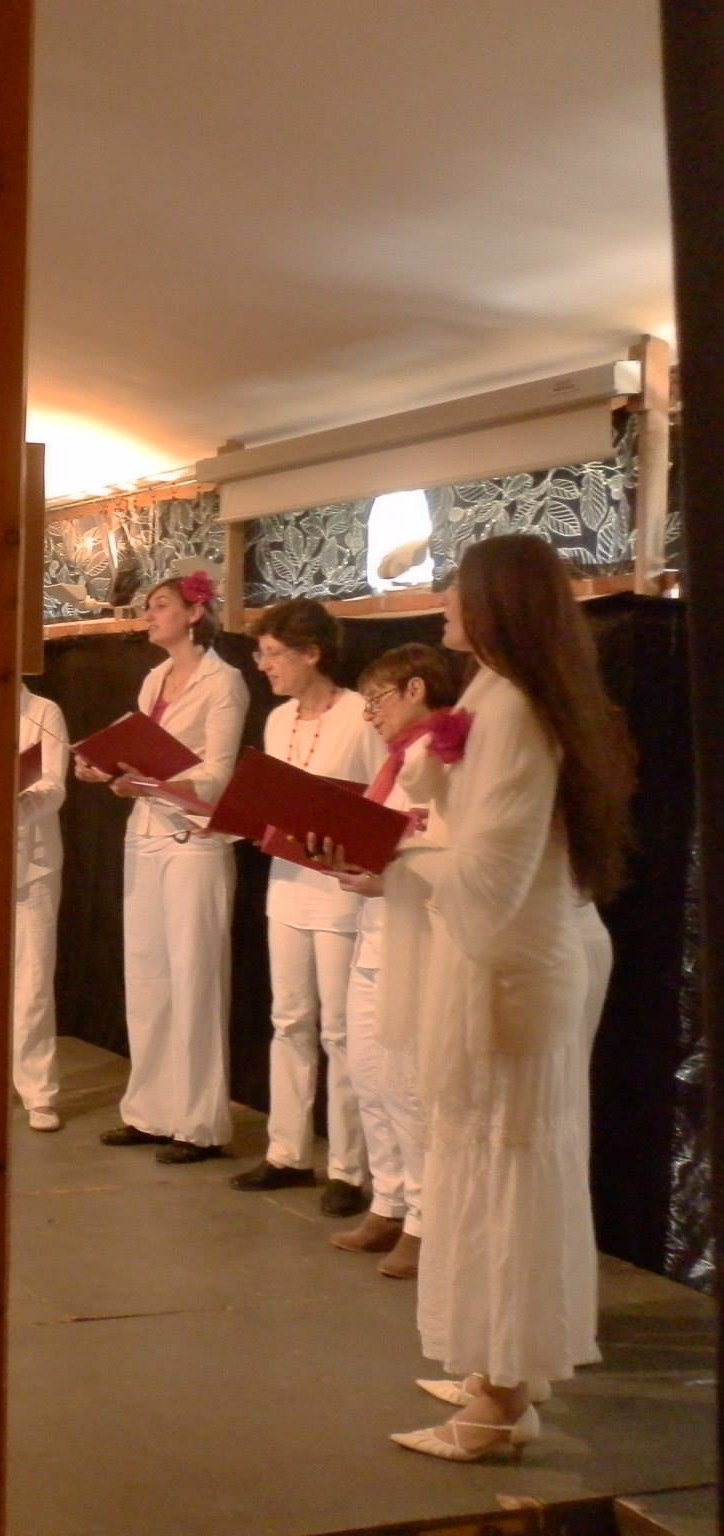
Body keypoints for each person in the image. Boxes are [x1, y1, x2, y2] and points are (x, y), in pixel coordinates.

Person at [385, 534, 631, 1462]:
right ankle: (492, 1364)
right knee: (480, 1166)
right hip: (504, 963)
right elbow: (465, 826)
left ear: (495, 605)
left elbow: (491, 870)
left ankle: (499, 1400)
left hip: (515, 975)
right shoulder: (495, 696)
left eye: (457, 592)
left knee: (511, 1172)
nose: (443, 607)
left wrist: (394, 850)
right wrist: (425, 781)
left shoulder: (521, 709)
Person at [77, 571, 249, 1162]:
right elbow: (140, 751)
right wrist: (110, 771)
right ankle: (149, 1110)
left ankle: (199, 1123)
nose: (149, 615)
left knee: (195, 979)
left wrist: (151, 778)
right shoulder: (153, 680)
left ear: (193, 614)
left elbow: (220, 771)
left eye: (159, 606)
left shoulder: (224, 682)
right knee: (147, 974)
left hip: (194, 840)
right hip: (146, 832)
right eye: (149, 607)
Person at [228, 600, 384, 1216]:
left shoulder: (359, 717)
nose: (263, 666)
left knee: (342, 1032)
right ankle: (287, 1151)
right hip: (288, 883)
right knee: (289, 1019)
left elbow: (380, 800)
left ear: (311, 653)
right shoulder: (276, 719)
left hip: (340, 891)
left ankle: (348, 1167)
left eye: (272, 654)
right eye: (259, 655)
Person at [323, 644, 460, 1279]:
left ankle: (428, 1221)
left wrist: (391, 879)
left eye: (376, 701)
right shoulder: (395, 761)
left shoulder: (443, 756)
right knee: (369, 1073)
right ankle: (389, 1199)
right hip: (376, 926)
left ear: (414, 689)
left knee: (408, 1085)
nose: (369, 715)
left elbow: (446, 851)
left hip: (418, 934)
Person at [12, 683, 69, 1132]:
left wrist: (18, 801)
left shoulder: (42, 710)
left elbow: (54, 784)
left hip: (32, 861)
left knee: (32, 978)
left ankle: (38, 1091)